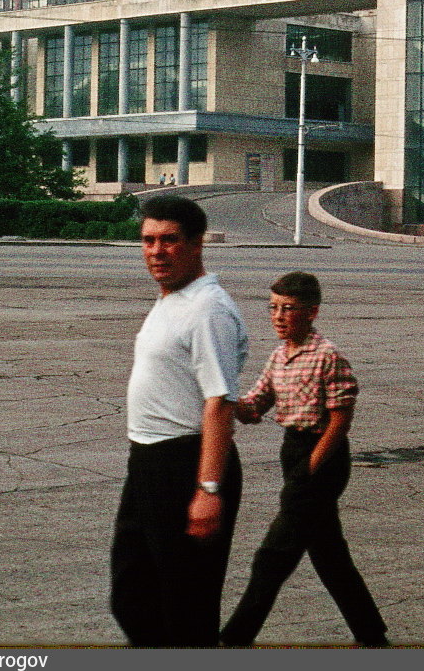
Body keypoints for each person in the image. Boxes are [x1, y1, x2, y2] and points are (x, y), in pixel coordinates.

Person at [220, 271, 388, 648]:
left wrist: (310, 470)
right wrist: (224, 396)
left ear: (311, 312)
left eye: (288, 309)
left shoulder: (327, 356)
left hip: (322, 456)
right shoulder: (279, 356)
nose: (278, 316)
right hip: (292, 450)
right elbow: (254, 407)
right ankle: (372, 635)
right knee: (329, 556)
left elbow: (341, 421)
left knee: (272, 556)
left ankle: (233, 639)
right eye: (273, 308)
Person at [110, 194, 247, 646]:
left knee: (185, 606)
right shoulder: (173, 299)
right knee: (132, 595)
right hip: (148, 463)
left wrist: (208, 490)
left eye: (169, 240)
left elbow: (218, 401)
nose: (156, 251)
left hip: (185, 465)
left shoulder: (207, 309)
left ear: (196, 244)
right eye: (148, 241)